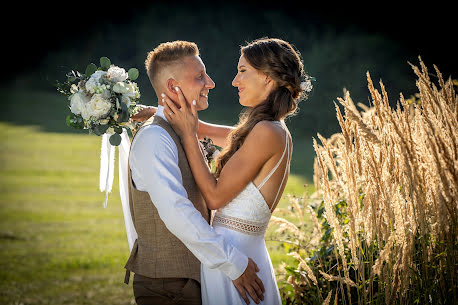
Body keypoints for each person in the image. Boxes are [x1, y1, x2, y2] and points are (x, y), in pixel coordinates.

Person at [162, 37, 310, 305]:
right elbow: (202, 128)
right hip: (239, 253)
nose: (234, 81)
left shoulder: (267, 132)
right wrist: (143, 112)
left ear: (267, 78)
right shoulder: (266, 130)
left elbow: (216, 197)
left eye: (243, 71)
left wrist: (186, 137)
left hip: (237, 260)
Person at [125, 40, 265, 305]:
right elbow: (177, 211)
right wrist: (233, 263)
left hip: (191, 283)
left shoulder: (182, 131)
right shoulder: (155, 138)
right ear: (171, 87)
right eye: (200, 77)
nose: (210, 83)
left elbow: (252, 140)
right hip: (169, 288)